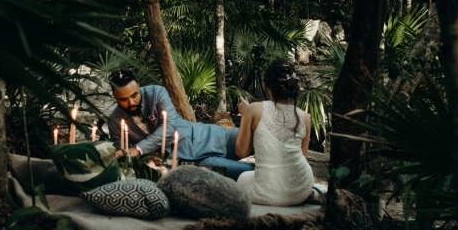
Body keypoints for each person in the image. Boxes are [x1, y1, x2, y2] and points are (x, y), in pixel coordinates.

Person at [106, 69, 255, 180]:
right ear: (115, 96)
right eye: (123, 100)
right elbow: (125, 158)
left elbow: (169, 128)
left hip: (210, 136)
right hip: (195, 163)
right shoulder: (115, 121)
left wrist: (138, 149)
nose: (131, 102)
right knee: (249, 172)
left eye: (134, 95)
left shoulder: (156, 92)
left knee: (259, 137)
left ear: (138, 87)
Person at [234, 59, 314, 206]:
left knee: (243, 177)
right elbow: (302, 156)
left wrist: (245, 116)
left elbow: (241, 152)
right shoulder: (305, 117)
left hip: (265, 193)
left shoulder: (254, 109)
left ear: (268, 86)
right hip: (300, 189)